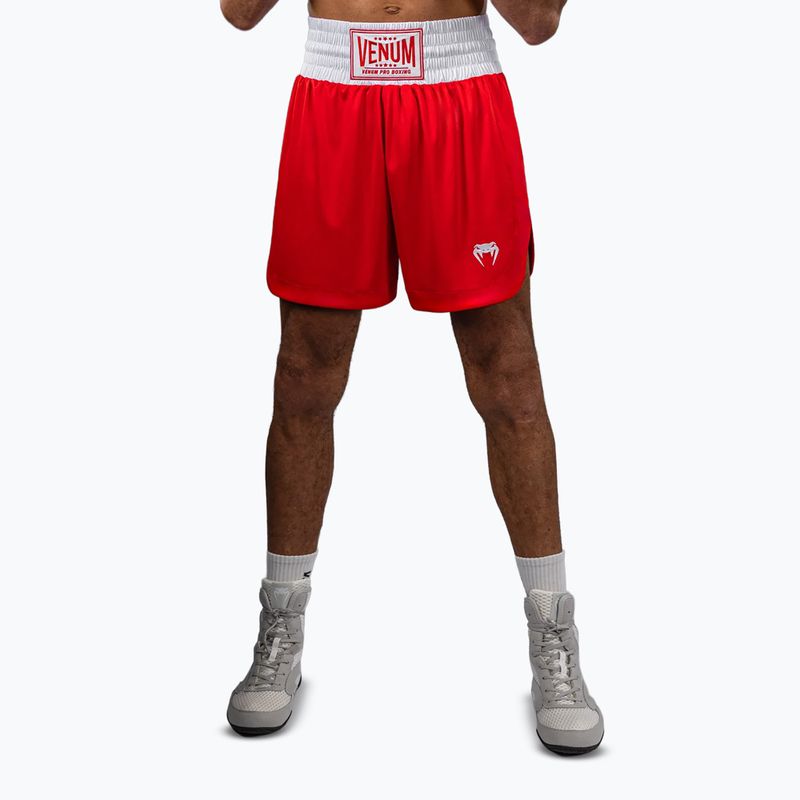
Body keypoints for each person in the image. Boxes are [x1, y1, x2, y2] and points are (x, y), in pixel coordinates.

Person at [221, 0, 603, 756]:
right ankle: (280, 624)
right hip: (336, 86)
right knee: (304, 376)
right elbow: (239, 13)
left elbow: (538, 22)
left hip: (457, 85)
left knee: (507, 378)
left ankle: (552, 632)